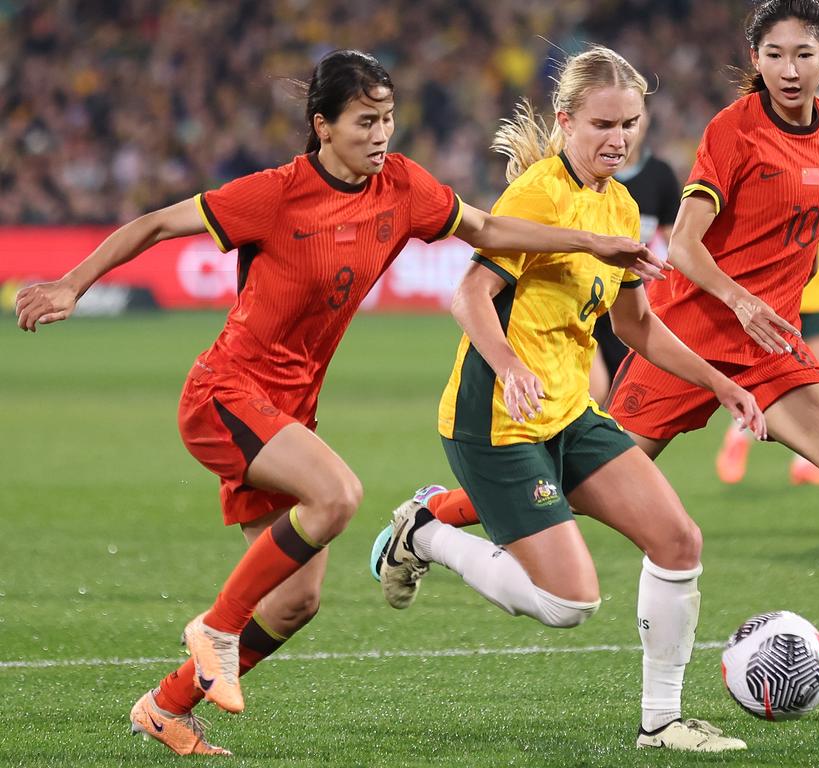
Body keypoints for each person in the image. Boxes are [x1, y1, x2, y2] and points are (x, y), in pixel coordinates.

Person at [14, 49, 667, 757]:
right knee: (338, 496)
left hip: (288, 413)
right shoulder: (275, 193)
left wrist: (595, 242)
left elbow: (487, 230)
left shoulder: (402, 187)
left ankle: (167, 707)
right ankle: (216, 629)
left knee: (296, 601)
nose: (381, 134)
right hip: (226, 393)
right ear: (322, 126)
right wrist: (71, 285)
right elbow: (152, 226)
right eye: (365, 122)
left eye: (387, 118)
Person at [375, 1, 819, 700]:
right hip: (691, 335)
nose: (790, 69)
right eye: (775, 54)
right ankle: (436, 514)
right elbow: (689, 249)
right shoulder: (733, 132)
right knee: (582, 488)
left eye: (804, 54)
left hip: (767, 345)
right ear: (754, 61)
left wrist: (771, 309)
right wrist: (741, 299)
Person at [377, 45, 764, 753]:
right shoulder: (536, 194)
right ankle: (424, 533)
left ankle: (662, 723)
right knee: (568, 604)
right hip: (496, 419)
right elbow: (468, 296)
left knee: (679, 541)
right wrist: (507, 365)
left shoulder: (619, 205)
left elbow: (636, 324)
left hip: (569, 413)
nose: (618, 139)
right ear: (567, 122)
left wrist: (723, 383)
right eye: (603, 126)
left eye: (631, 124)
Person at [716, 136, 819, 487]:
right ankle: (737, 439)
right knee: (761, 378)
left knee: (817, 379)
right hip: (778, 292)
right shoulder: (770, 160)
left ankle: (804, 462)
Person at [589, 110, 681, 404]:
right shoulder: (589, 171)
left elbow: (675, 242)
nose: (624, 133)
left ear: (646, 121)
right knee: (592, 393)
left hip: (627, 298)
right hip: (586, 296)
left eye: (632, 121)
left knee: (618, 396)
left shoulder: (660, 175)